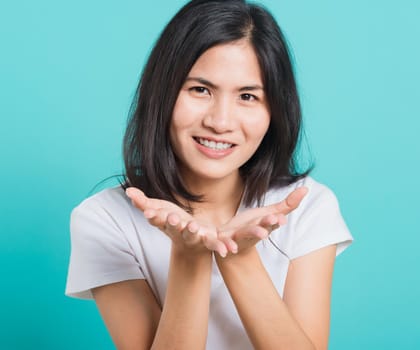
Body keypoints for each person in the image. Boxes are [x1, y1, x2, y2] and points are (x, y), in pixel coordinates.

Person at [65, 0, 353, 349]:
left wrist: (239, 257)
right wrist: (189, 257)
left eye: (247, 96)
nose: (220, 122)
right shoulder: (103, 220)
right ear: (163, 94)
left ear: (274, 111)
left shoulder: (307, 207)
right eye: (200, 90)